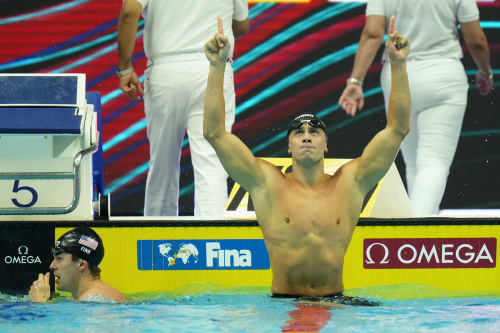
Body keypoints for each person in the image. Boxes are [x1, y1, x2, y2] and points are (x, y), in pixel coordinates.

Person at [203, 16, 410, 298]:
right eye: (298, 132)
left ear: (326, 144)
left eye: (314, 131)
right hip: (283, 306)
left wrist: (398, 65)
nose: (307, 135)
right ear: (288, 146)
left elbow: (398, 129)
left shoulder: (351, 182)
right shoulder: (266, 183)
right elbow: (214, 133)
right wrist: (217, 67)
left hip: (336, 304)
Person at [338, 0, 493, 216]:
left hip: (398, 75)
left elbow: (372, 34)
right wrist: (485, 71)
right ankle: (417, 229)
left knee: (413, 164)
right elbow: (476, 40)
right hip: (443, 76)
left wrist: (355, 81)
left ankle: (416, 225)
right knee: (434, 161)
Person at [117, 0, 249, 216]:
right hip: (214, 66)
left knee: (162, 164)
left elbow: (129, 12)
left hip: (166, 70)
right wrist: (205, 32)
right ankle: (212, 239)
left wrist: (124, 69)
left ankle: (156, 238)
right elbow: (242, 25)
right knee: (212, 162)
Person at [29, 227, 126, 303]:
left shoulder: (92, 300)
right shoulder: (97, 297)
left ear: (81, 264)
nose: (52, 266)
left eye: (59, 258)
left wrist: (39, 302)